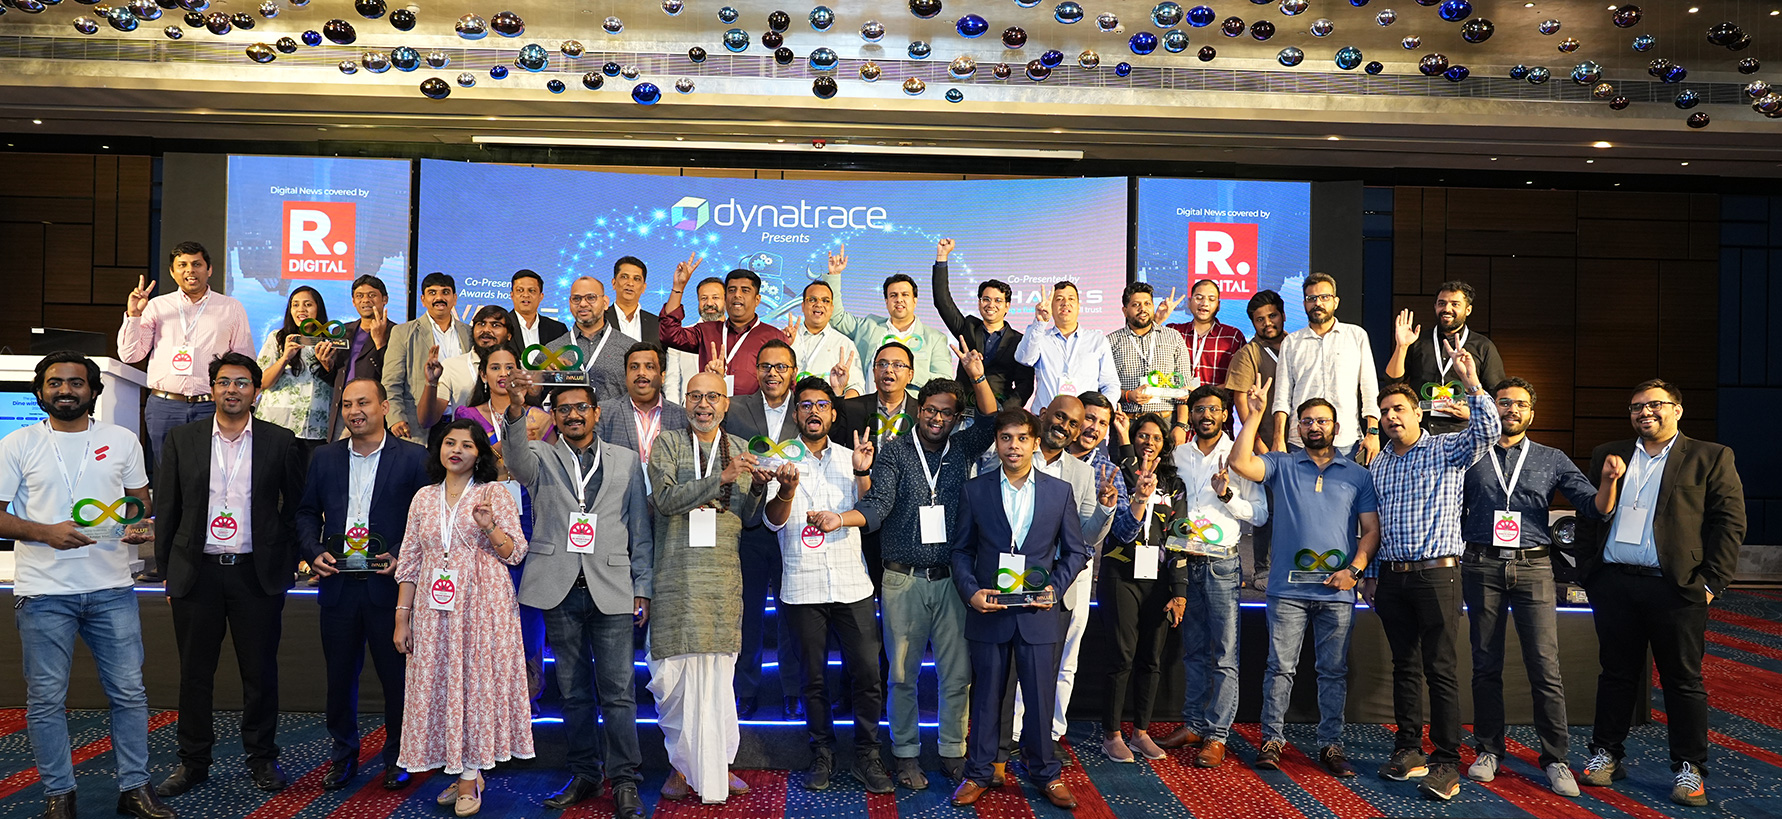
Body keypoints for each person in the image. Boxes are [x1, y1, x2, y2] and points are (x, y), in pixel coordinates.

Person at [1, 353, 173, 819]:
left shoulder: (121, 440)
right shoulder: (17, 444)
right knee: (46, 701)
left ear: (93, 391)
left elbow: (139, 505)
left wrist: (137, 526)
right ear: (40, 392)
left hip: (111, 588)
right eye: (55, 382)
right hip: (43, 593)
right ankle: (60, 795)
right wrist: (44, 532)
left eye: (76, 383)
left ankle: (135, 789)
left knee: (129, 694)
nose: (65, 390)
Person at [1577, 379, 1745, 808]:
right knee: (1616, 675)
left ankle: (1689, 768)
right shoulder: (1609, 453)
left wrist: (1711, 583)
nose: (1644, 412)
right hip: (1615, 584)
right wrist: (1589, 573)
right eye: (1636, 407)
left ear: (1677, 410)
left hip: (1676, 588)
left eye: (1655, 404)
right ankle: (1606, 754)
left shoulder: (1709, 456)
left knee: (1682, 681)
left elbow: (1729, 523)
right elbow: (1591, 514)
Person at [152, 352, 306, 798]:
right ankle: (193, 762)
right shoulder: (183, 438)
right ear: (212, 388)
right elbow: (168, 507)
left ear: (256, 390)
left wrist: (288, 560)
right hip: (196, 573)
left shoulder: (280, 440)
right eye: (223, 382)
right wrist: (168, 572)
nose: (232, 390)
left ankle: (262, 757)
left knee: (259, 673)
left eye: (241, 382)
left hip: (255, 574)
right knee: (194, 674)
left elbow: (296, 507)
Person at [501, 375, 654, 818]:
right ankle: (585, 773)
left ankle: (624, 779)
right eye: (563, 409)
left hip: (612, 588)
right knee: (572, 692)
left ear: (596, 413)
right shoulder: (539, 456)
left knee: (619, 692)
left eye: (580, 407)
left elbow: (639, 530)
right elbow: (514, 458)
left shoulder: (626, 460)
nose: (572, 415)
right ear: (553, 416)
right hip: (559, 587)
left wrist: (642, 587)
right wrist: (516, 408)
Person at [852, 357, 999, 788]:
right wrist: (845, 519)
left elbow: (991, 420)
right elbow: (879, 504)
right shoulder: (895, 451)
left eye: (946, 413)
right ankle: (905, 754)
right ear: (919, 410)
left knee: (957, 675)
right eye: (931, 410)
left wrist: (977, 376)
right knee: (902, 677)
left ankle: (953, 751)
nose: (937, 418)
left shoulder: (962, 448)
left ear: (956, 418)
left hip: (952, 580)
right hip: (903, 580)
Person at [1365, 340, 1497, 802]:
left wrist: (1472, 383)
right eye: (1385, 412)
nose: (1391, 417)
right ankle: (1408, 749)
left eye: (1399, 409)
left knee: (1439, 669)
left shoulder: (1445, 449)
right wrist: (1370, 573)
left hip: (1438, 574)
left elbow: (1489, 431)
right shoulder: (1379, 463)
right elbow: (1374, 524)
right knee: (1404, 667)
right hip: (1391, 576)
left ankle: (1445, 762)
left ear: (1418, 413)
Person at [1227, 392, 1380, 779]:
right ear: (1298, 428)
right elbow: (1240, 462)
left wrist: (1355, 571)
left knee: (1333, 672)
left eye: (1322, 421)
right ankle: (1271, 741)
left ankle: (1331, 744)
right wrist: (1254, 415)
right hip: (1287, 591)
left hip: (1337, 591)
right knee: (1280, 668)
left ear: (1336, 428)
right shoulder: (1282, 464)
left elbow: (1370, 530)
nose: (1315, 427)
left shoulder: (1358, 474)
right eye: (1307, 421)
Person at [1457, 376, 1597, 796]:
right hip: (1481, 563)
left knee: (1544, 666)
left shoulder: (1552, 458)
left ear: (1531, 413)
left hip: (1534, 566)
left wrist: (1610, 484)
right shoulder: (1470, 454)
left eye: (1520, 404)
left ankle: (1556, 759)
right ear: (1492, 408)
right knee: (1485, 663)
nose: (1511, 410)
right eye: (1503, 402)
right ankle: (1488, 749)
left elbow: (1591, 504)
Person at [948, 408, 1090, 810]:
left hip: (1037, 615)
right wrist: (971, 592)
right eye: (1006, 438)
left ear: (1035, 442)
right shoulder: (975, 490)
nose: (1014, 446)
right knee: (986, 698)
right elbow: (961, 551)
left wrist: (1054, 589)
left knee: (1041, 698)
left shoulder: (1058, 492)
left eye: (1022, 438)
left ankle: (1046, 773)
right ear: (997, 442)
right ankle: (979, 772)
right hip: (988, 610)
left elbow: (1076, 551)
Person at [295, 377, 432, 792]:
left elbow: (426, 520)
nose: (355, 411)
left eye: (364, 403)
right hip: (337, 584)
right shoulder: (324, 457)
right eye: (348, 404)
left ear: (384, 407)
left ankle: (398, 757)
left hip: (390, 588)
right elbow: (306, 512)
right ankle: (343, 756)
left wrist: (401, 554)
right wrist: (313, 550)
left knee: (396, 679)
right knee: (339, 679)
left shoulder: (414, 458)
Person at [392, 420, 533, 817]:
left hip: (483, 607)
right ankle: (462, 768)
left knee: (476, 688)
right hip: (434, 609)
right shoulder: (423, 498)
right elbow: (410, 561)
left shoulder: (494, 492)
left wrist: (490, 527)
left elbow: (515, 553)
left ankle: (470, 777)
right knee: (444, 688)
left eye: (467, 445)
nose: (456, 450)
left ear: (479, 453)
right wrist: (402, 618)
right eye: (449, 443)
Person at [761, 377, 893, 794]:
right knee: (812, 678)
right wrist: (786, 491)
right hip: (802, 585)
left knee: (867, 674)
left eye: (821, 404)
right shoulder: (780, 459)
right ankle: (822, 753)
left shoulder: (852, 456)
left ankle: (867, 755)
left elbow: (871, 511)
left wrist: (862, 471)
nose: (813, 411)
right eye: (805, 405)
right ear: (795, 414)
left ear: (833, 414)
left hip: (852, 583)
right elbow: (772, 522)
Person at [646, 371, 773, 804]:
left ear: (726, 403)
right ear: (685, 402)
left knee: (718, 679)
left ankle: (716, 764)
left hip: (720, 579)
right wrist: (721, 478)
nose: (704, 405)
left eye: (712, 397)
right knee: (674, 679)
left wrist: (757, 489)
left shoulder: (739, 447)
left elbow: (747, 518)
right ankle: (680, 766)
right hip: (675, 576)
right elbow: (665, 501)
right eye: (695, 396)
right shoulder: (667, 444)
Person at [1005, 394, 1128, 769]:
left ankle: (1049, 733)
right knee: (1014, 662)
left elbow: (1087, 537)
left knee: (1061, 662)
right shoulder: (1016, 454)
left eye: (1074, 423)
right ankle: (1011, 734)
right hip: (1013, 576)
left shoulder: (1085, 474)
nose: (1067, 427)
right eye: (1063, 418)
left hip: (1064, 581)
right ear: (1043, 415)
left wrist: (1106, 507)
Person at [1153, 386, 1267, 767]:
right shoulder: (1177, 455)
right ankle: (1194, 724)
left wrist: (1227, 496)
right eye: (1199, 409)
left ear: (1224, 415)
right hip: (1186, 563)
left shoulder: (1239, 456)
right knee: (1194, 650)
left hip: (1222, 565)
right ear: (1192, 415)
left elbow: (1260, 515)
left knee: (1224, 654)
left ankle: (1217, 735)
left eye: (1214, 410)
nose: (1206, 416)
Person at [1095, 412, 1188, 764]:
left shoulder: (1175, 485)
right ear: (1132, 439)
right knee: (1122, 657)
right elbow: (1119, 530)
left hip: (1159, 580)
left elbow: (1178, 537)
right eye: (1142, 436)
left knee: (1151, 659)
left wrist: (1180, 591)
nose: (1149, 442)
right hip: (1120, 575)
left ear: (1165, 446)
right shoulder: (1119, 474)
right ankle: (1112, 734)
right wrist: (1138, 492)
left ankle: (1141, 732)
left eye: (1156, 438)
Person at [720, 339, 805, 720]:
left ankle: (792, 690)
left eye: (781, 367)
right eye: (766, 366)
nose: (773, 373)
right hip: (749, 523)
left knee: (792, 614)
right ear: (756, 370)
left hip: (793, 523)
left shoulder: (807, 408)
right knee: (748, 614)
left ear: (793, 372)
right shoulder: (736, 408)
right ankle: (746, 689)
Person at [116, 241, 254, 469]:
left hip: (211, 405)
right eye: (182, 265)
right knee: (168, 473)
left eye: (196, 264)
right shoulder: (156, 306)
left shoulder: (231, 308)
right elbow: (130, 355)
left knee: (211, 472)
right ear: (172, 272)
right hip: (165, 405)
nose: (190, 270)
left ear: (209, 270)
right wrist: (134, 316)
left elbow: (244, 361)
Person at [1269, 273, 1381, 464]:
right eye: (1311, 298)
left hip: (1345, 440)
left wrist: (1373, 432)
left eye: (1324, 297)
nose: (1318, 303)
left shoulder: (1356, 335)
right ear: (1304, 304)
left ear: (1336, 302)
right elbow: (1282, 396)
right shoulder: (1291, 342)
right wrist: (1279, 438)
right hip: (1301, 441)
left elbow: (1369, 388)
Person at [1223, 289, 1287, 590]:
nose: (1267, 323)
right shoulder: (1248, 353)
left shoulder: (1298, 344)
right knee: (1268, 510)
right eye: (1260, 319)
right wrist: (1260, 446)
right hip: (1266, 443)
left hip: (1301, 441)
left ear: (1283, 315)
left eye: (1272, 316)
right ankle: (1263, 569)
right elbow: (1241, 402)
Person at [1385, 281, 1507, 435]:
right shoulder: (1418, 340)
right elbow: (1392, 382)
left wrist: (1471, 413)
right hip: (1421, 432)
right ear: (1435, 306)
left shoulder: (1483, 346)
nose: (1447, 309)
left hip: (1463, 433)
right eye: (1442, 303)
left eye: (1455, 304)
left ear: (1468, 310)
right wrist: (1401, 346)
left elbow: (1498, 394)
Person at [823, 246, 952, 392]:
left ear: (915, 300)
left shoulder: (934, 339)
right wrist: (834, 276)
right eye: (893, 295)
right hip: (870, 404)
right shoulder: (869, 326)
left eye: (905, 295)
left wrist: (907, 373)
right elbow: (837, 318)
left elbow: (945, 382)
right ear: (886, 301)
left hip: (913, 405)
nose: (899, 300)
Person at [659, 258, 788, 396]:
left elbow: (786, 381)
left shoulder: (774, 336)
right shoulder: (706, 331)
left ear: (757, 300)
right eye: (732, 290)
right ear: (726, 298)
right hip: (710, 406)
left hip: (754, 409)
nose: (737, 295)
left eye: (745, 290)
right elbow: (669, 334)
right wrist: (678, 287)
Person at [931, 238, 1032, 410]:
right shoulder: (968, 328)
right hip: (964, 411)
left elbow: (1025, 384)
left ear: (1007, 306)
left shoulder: (1019, 341)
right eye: (986, 299)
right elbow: (942, 301)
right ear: (979, 303)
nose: (991, 305)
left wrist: (1004, 413)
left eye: (998, 300)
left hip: (999, 413)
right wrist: (942, 258)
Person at [384, 272, 471, 443]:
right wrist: (395, 417)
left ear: (454, 298)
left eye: (445, 292)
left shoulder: (468, 333)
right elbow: (391, 382)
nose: (439, 298)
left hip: (462, 423)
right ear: (423, 300)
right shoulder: (403, 332)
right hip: (417, 428)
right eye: (432, 293)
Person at [255, 286, 340, 451]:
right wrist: (285, 358)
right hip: (277, 421)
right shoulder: (277, 338)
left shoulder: (331, 342)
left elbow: (338, 384)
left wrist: (326, 365)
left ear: (318, 309)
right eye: (295, 305)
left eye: (308, 304)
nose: (301, 309)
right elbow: (262, 382)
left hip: (316, 426)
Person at [1014, 281, 1119, 411]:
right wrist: (1040, 322)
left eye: (1071, 299)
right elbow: (1024, 358)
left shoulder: (1097, 340)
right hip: (1045, 417)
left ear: (1079, 306)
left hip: (1083, 418)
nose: (1065, 303)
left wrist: (1102, 413)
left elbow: (1110, 384)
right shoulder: (1040, 337)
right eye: (1059, 299)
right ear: (1051, 306)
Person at [451, 343, 550, 477]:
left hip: (529, 489)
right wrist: (509, 441)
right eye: (495, 368)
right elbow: (464, 463)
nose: (503, 373)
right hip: (483, 488)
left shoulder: (539, 417)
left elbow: (551, 467)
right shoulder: (469, 416)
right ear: (483, 375)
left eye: (509, 368)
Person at [544, 277, 637, 408]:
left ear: (605, 303)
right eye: (576, 298)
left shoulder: (630, 349)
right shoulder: (552, 351)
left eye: (591, 297)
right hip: (570, 420)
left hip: (616, 420)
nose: (582, 304)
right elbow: (535, 399)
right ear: (570, 304)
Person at [606, 256, 686, 406]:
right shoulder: (600, 322)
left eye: (636, 279)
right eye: (624, 277)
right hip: (609, 404)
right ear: (614, 283)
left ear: (643, 287)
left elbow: (668, 370)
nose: (630, 283)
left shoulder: (658, 324)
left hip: (650, 405)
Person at [422, 304, 520, 427]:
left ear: (509, 335)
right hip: (466, 437)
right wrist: (431, 383)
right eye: (481, 324)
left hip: (512, 436)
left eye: (495, 325)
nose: (486, 330)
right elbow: (427, 421)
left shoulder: (519, 369)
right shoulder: (451, 366)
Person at [596, 342, 688, 471]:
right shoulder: (604, 413)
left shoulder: (683, 417)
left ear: (662, 377)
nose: (641, 372)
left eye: (649, 367)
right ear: (626, 376)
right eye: (634, 367)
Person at [1108, 282, 1191, 424]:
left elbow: (1184, 388)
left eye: (1147, 304)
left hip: (1166, 421)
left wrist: (1182, 425)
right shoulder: (1111, 341)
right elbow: (1104, 386)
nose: (1143, 309)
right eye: (1136, 305)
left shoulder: (1173, 337)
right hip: (1127, 422)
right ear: (1125, 311)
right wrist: (1128, 395)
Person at [326, 275, 395, 441]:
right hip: (343, 409)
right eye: (360, 296)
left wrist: (380, 344)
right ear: (353, 301)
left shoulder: (396, 332)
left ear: (384, 299)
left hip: (372, 411)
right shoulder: (342, 331)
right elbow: (333, 376)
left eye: (372, 295)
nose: (366, 300)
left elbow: (392, 376)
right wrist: (325, 364)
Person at [1159, 279, 1248, 397]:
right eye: (1199, 298)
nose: (1204, 303)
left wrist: (1202, 395)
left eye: (1211, 299)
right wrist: (1158, 319)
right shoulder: (1174, 331)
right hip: (1176, 405)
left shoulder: (1232, 337)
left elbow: (1239, 380)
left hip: (1215, 406)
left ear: (1218, 305)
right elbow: (1146, 350)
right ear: (1189, 302)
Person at [784, 280, 864, 398]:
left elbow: (857, 387)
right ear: (803, 306)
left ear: (831, 308)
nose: (819, 304)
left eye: (825, 301)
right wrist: (785, 346)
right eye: (812, 299)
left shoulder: (844, 343)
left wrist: (836, 404)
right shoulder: (786, 338)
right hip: (790, 407)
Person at [835, 341, 918, 449]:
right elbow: (833, 445)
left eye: (897, 365)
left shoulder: (921, 412)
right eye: (882, 364)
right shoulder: (851, 408)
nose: (888, 370)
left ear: (910, 375)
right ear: (874, 372)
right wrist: (837, 391)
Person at [510, 268, 569, 349]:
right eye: (520, 290)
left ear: (541, 296)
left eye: (531, 290)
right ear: (512, 295)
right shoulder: (501, 326)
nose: (526, 295)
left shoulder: (558, 330)